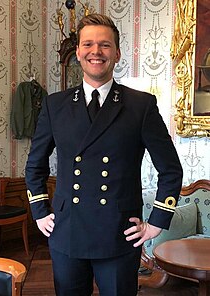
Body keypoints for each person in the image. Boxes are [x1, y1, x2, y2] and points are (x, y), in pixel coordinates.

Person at [25, 13, 183, 296]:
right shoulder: (54, 105)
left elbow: (170, 169)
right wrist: (39, 212)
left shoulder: (140, 106)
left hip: (119, 234)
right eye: (88, 44)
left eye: (105, 45)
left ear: (117, 53)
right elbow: (34, 165)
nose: (95, 52)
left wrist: (157, 222)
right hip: (67, 231)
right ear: (78, 52)